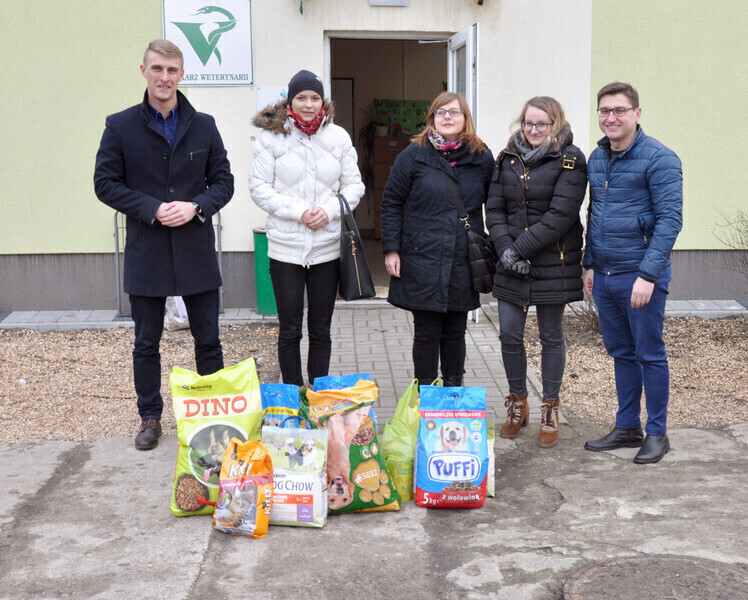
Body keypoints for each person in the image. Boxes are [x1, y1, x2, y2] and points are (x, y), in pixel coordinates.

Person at [94, 40, 234, 451]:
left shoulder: (204, 124)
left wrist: (196, 206)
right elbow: (105, 184)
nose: (164, 77)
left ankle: (217, 413)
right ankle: (150, 417)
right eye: (157, 69)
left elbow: (223, 182)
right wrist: (152, 208)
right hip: (147, 248)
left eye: (171, 70)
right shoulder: (119, 126)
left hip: (194, 245)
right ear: (143, 71)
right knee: (146, 342)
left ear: (181, 74)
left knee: (208, 339)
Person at [582, 82, 683, 464]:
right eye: (604, 110)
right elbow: (595, 213)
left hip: (638, 275)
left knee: (649, 354)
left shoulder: (661, 158)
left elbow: (670, 221)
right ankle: (627, 427)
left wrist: (648, 274)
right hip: (604, 275)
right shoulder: (597, 157)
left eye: (619, 110)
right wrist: (589, 262)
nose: (611, 117)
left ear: (636, 114)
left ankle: (657, 432)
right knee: (621, 353)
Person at [249, 70, 364, 388]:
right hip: (285, 247)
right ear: (290, 102)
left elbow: (354, 186)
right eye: (301, 98)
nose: (308, 104)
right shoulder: (271, 138)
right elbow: (260, 188)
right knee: (289, 328)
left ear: (323, 102)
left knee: (321, 328)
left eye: (314, 98)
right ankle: (292, 390)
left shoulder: (338, 137)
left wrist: (328, 212)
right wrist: (300, 213)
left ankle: (319, 391)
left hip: (326, 248)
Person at [486, 96, 587, 448]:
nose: (532, 130)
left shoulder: (571, 160)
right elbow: (494, 208)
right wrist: (504, 249)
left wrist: (519, 249)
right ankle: (518, 401)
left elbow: (561, 216)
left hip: (552, 262)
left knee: (550, 336)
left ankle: (550, 406)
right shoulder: (507, 157)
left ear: (555, 125)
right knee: (509, 334)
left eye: (541, 124)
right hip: (510, 262)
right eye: (528, 123)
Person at [380, 92, 494, 386]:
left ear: (465, 118)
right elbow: (391, 201)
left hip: (462, 258)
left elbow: (494, 204)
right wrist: (392, 249)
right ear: (431, 118)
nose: (447, 117)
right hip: (422, 256)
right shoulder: (413, 155)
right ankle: (426, 392)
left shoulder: (481, 157)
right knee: (427, 332)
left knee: (455, 331)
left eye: (454, 112)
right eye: (441, 112)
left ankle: (454, 392)